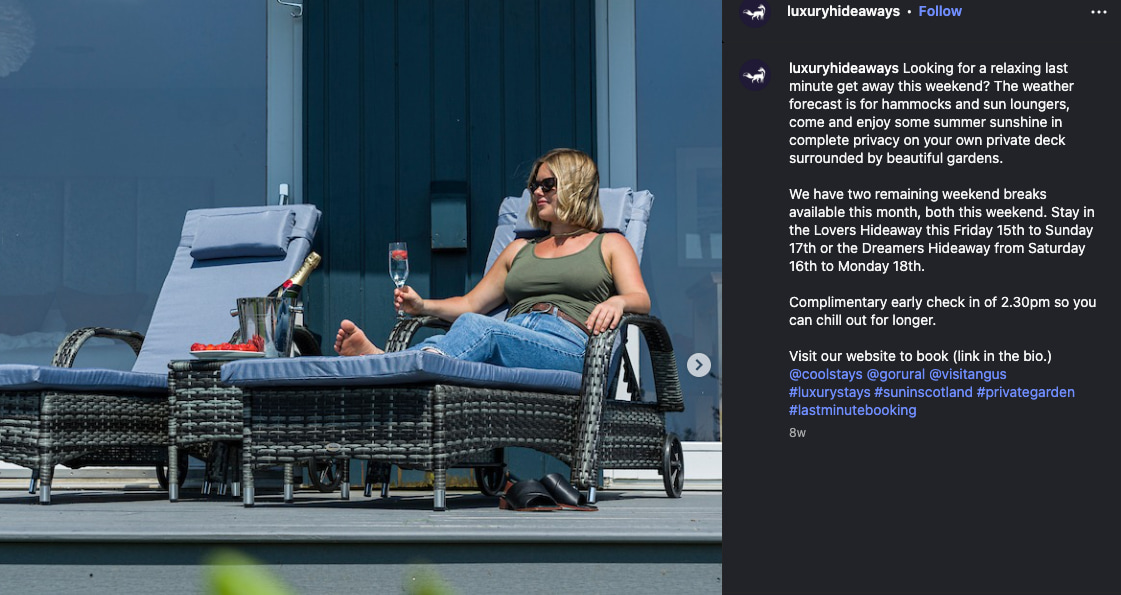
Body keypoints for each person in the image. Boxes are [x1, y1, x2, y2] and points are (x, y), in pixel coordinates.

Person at [334, 148, 650, 374]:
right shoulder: (519, 249)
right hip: (514, 336)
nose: (537, 192)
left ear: (574, 188)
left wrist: (619, 302)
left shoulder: (609, 243)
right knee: (469, 330)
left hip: (570, 344)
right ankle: (392, 361)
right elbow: (472, 304)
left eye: (547, 185)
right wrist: (423, 306)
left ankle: (389, 364)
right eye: (534, 186)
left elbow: (641, 299)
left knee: (480, 330)